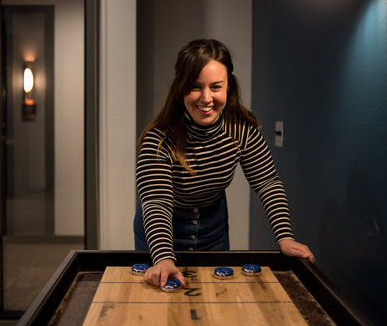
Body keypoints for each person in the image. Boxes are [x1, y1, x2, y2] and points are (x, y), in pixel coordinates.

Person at [134, 39, 314, 288]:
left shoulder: (242, 129)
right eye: (195, 87)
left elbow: (267, 182)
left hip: (213, 225)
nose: (206, 98)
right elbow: (156, 202)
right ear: (180, 89)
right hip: (162, 229)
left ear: (229, 85)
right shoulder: (159, 139)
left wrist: (284, 236)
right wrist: (163, 258)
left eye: (216, 87)